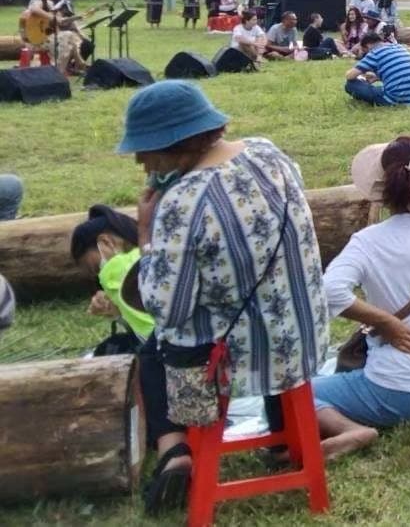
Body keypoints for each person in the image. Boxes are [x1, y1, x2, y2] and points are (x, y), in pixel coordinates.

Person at [122, 82, 329, 513]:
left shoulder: (182, 201)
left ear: (175, 145)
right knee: (264, 312)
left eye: (145, 151)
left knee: (153, 347)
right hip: (302, 336)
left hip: (235, 364)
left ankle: (174, 449)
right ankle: (281, 441)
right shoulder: (268, 152)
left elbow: (166, 308)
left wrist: (146, 235)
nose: (141, 163)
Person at [310, 139, 410, 460]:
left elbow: (328, 292)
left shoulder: (368, 242)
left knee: (291, 394)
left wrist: (385, 322)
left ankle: (349, 429)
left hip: (398, 392)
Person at [71, 204, 155, 342]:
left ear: (106, 242)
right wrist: (117, 311)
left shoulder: (117, 270)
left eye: (96, 268)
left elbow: (149, 336)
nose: (99, 276)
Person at [345, 31, 410, 106]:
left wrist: (362, 80)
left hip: (395, 99)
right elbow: (398, 71)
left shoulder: (374, 53)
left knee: (350, 85)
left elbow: (349, 76)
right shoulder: (399, 47)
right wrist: (377, 78)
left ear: (368, 45)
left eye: (364, 51)